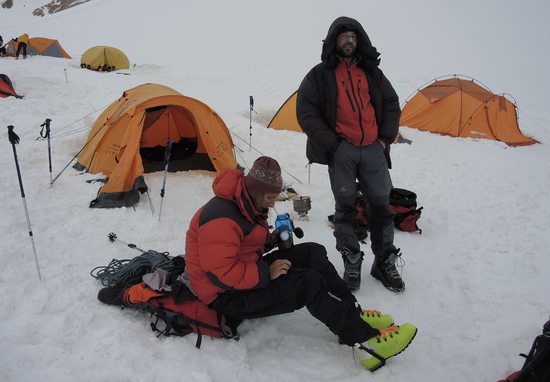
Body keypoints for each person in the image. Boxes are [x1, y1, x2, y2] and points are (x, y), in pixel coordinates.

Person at [184, 156, 416, 370]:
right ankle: (367, 345)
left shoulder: (246, 202)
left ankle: (352, 313)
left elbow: (241, 246)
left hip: (243, 277)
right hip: (226, 297)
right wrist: (266, 272)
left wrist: (270, 242)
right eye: (270, 197)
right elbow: (220, 273)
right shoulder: (220, 218)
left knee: (313, 253)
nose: (273, 203)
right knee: (306, 283)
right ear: (256, 190)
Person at [296, 17, 404, 292]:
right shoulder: (319, 75)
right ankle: (351, 260)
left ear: (360, 41)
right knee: (345, 209)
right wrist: (333, 145)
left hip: (373, 150)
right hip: (341, 151)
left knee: (381, 206)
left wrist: (383, 139)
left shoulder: (371, 73)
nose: (348, 41)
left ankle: (383, 261)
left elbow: (391, 103)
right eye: (343, 37)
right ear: (334, 40)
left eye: (353, 37)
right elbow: (306, 113)